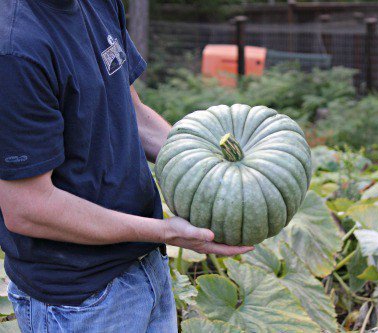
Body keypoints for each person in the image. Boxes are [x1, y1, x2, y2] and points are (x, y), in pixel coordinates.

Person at [0, 0, 253, 332]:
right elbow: (27, 208)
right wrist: (167, 232)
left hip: (144, 265)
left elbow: (130, 111)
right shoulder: (15, 51)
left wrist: (210, 171)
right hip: (80, 301)